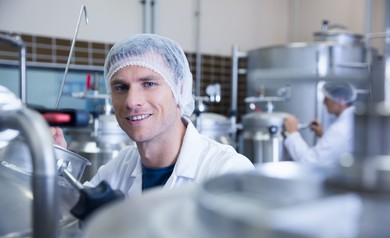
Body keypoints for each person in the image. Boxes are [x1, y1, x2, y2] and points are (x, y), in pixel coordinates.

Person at [52, 33, 254, 197]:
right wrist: (51, 162)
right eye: (121, 87)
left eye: (149, 84)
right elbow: (71, 218)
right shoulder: (119, 168)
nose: (132, 101)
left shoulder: (228, 172)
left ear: (180, 89)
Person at [282, 82, 357, 167]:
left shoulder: (339, 129)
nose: (323, 102)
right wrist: (323, 136)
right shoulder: (351, 120)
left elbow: (309, 162)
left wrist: (292, 133)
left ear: (340, 101)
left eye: (327, 98)